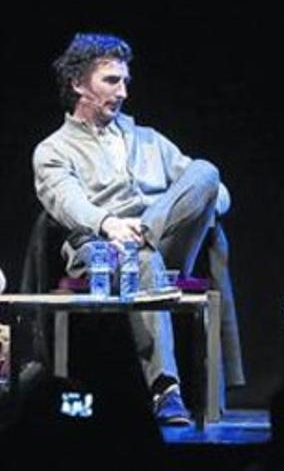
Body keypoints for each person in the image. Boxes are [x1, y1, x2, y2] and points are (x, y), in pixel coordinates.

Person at [32, 32, 244, 425]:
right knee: (142, 258)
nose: (123, 91)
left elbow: (216, 190)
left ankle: (144, 235)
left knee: (205, 171)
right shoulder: (54, 149)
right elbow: (65, 200)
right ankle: (167, 392)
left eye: (126, 81)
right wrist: (109, 223)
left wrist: (170, 213)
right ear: (79, 84)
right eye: (111, 80)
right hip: (98, 251)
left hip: (163, 240)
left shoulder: (149, 140)